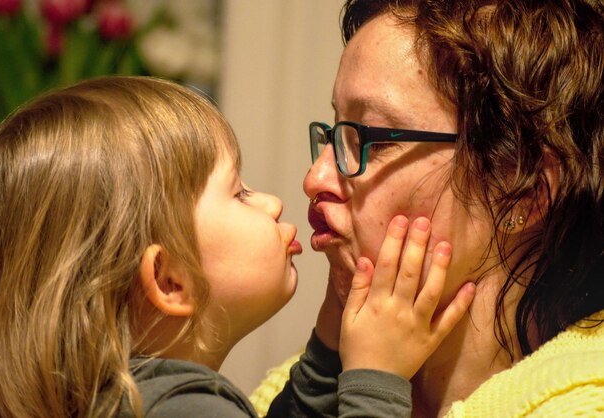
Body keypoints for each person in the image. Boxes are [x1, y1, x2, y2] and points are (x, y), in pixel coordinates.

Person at [0, 76, 474, 417]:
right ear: (170, 280)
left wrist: (330, 343)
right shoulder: (182, 409)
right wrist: (375, 380)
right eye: (239, 193)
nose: (275, 203)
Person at [252, 0, 604, 416]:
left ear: (525, 190)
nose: (316, 178)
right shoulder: (304, 387)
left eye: (374, 140)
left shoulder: (584, 403)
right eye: (334, 133)